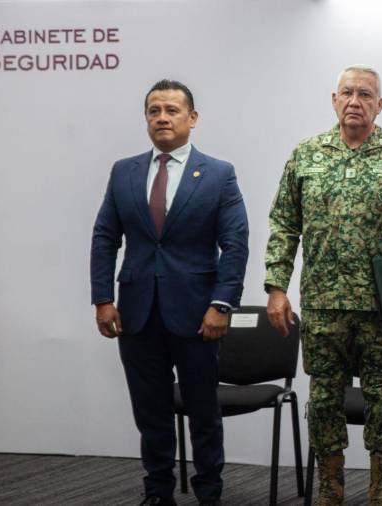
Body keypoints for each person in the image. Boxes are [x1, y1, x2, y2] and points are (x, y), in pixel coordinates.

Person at [264, 65, 382, 506]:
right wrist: (276, 286)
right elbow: (284, 225)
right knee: (323, 400)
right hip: (324, 306)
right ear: (333, 99)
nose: (355, 101)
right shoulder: (306, 155)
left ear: (379, 105)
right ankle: (330, 490)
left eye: (365, 94)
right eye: (347, 92)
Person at [90, 79, 249, 506]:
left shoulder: (218, 173)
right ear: (146, 119)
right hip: (136, 312)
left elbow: (235, 243)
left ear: (192, 119)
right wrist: (103, 298)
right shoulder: (124, 171)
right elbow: (106, 236)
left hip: (198, 314)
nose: (162, 117)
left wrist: (222, 303)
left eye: (172, 110)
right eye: (154, 110)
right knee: (151, 412)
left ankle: (209, 492)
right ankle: (157, 491)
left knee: (202, 412)